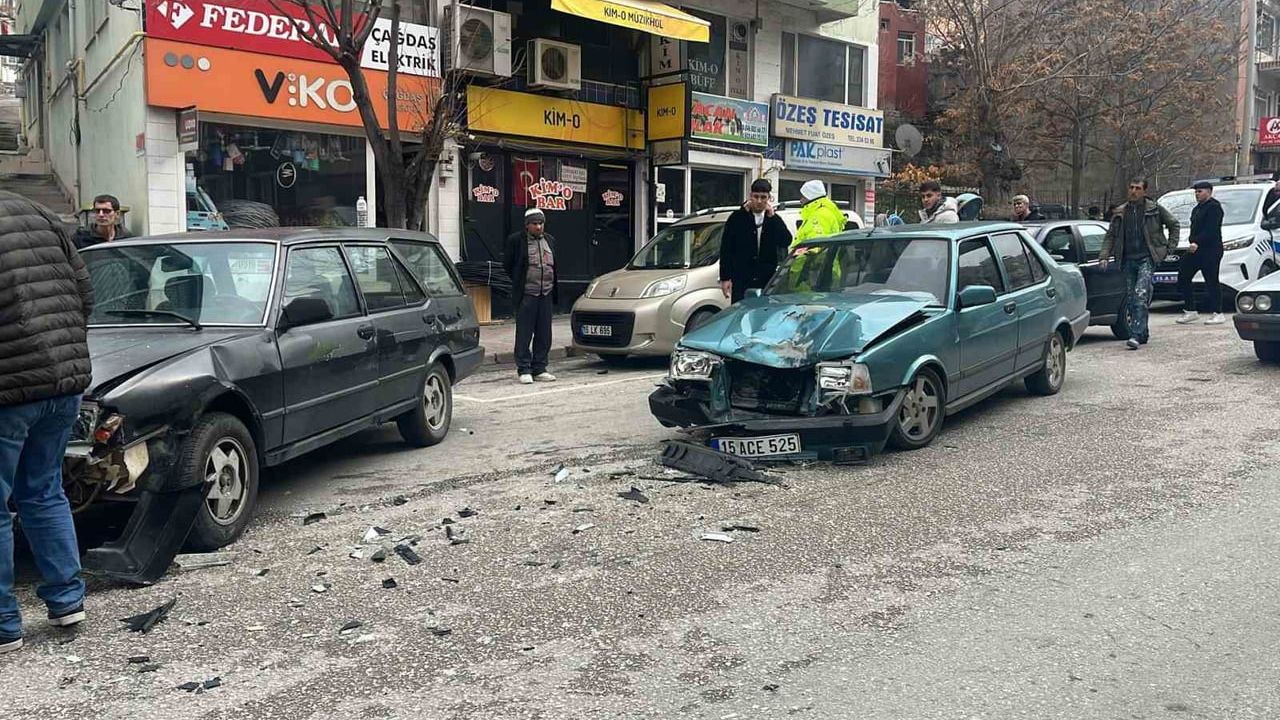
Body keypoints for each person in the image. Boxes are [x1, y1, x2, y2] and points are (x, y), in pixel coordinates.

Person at [0, 191, 95, 654]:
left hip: (9, 388)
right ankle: (66, 601)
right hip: (64, 379)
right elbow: (85, 293)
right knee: (43, 490)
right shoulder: (37, 210)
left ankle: (3, 625)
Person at [1099, 179, 1180, 350]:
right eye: (1131, 188)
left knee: (1140, 294)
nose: (1133, 191)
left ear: (1144, 191)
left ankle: (1135, 334)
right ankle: (1142, 332)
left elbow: (1174, 224)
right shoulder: (1121, 212)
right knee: (1131, 299)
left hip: (1147, 258)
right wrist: (1104, 256)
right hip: (1128, 259)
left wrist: (1169, 249)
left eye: (1138, 188)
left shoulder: (1154, 209)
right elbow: (1111, 236)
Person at [503, 208, 559, 385]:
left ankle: (540, 367)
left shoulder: (550, 240)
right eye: (535, 223)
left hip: (546, 293)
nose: (538, 227)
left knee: (544, 333)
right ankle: (524, 368)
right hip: (527, 294)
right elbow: (508, 265)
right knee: (524, 333)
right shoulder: (516, 241)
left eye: (541, 223)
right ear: (527, 225)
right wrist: (520, 282)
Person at [718, 178, 792, 303]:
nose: (759, 201)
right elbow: (726, 249)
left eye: (763, 197)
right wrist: (725, 278)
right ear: (750, 196)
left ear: (769, 198)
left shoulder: (773, 219)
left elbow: (786, 240)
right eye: (756, 196)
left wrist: (773, 218)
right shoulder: (737, 218)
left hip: (766, 280)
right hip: (742, 278)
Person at [1176, 181, 1226, 326]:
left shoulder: (1214, 208)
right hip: (1195, 249)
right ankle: (1190, 310)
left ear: (1209, 192)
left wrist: (1197, 241)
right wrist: (1192, 240)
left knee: (1211, 280)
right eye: (1196, 192)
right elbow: (1194, 228)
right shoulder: (1197, 209)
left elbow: (1211, 230)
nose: (1197, 194)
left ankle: (1218, 312)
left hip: (1210, 249)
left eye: (1200, 191)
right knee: (1184, 275)